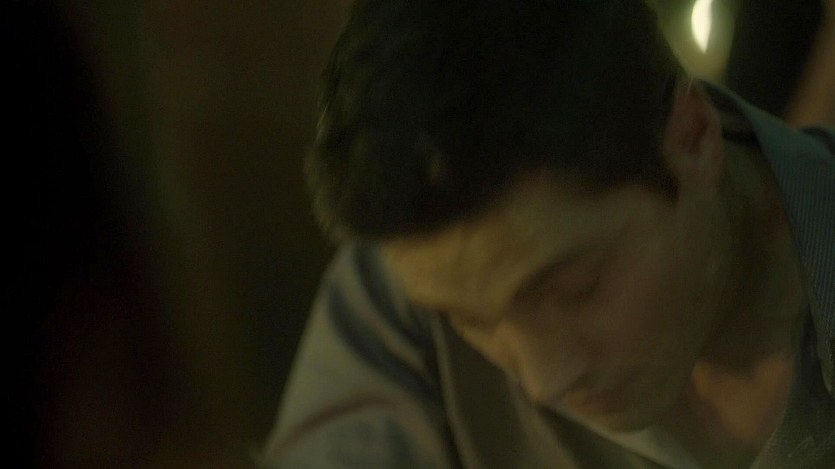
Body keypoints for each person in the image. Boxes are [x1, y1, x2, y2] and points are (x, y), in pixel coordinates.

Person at [261, 1, 835, 467]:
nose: (543, 381)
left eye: (576, 288)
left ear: (693, 137)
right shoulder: (419, 282)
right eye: (470, 321)